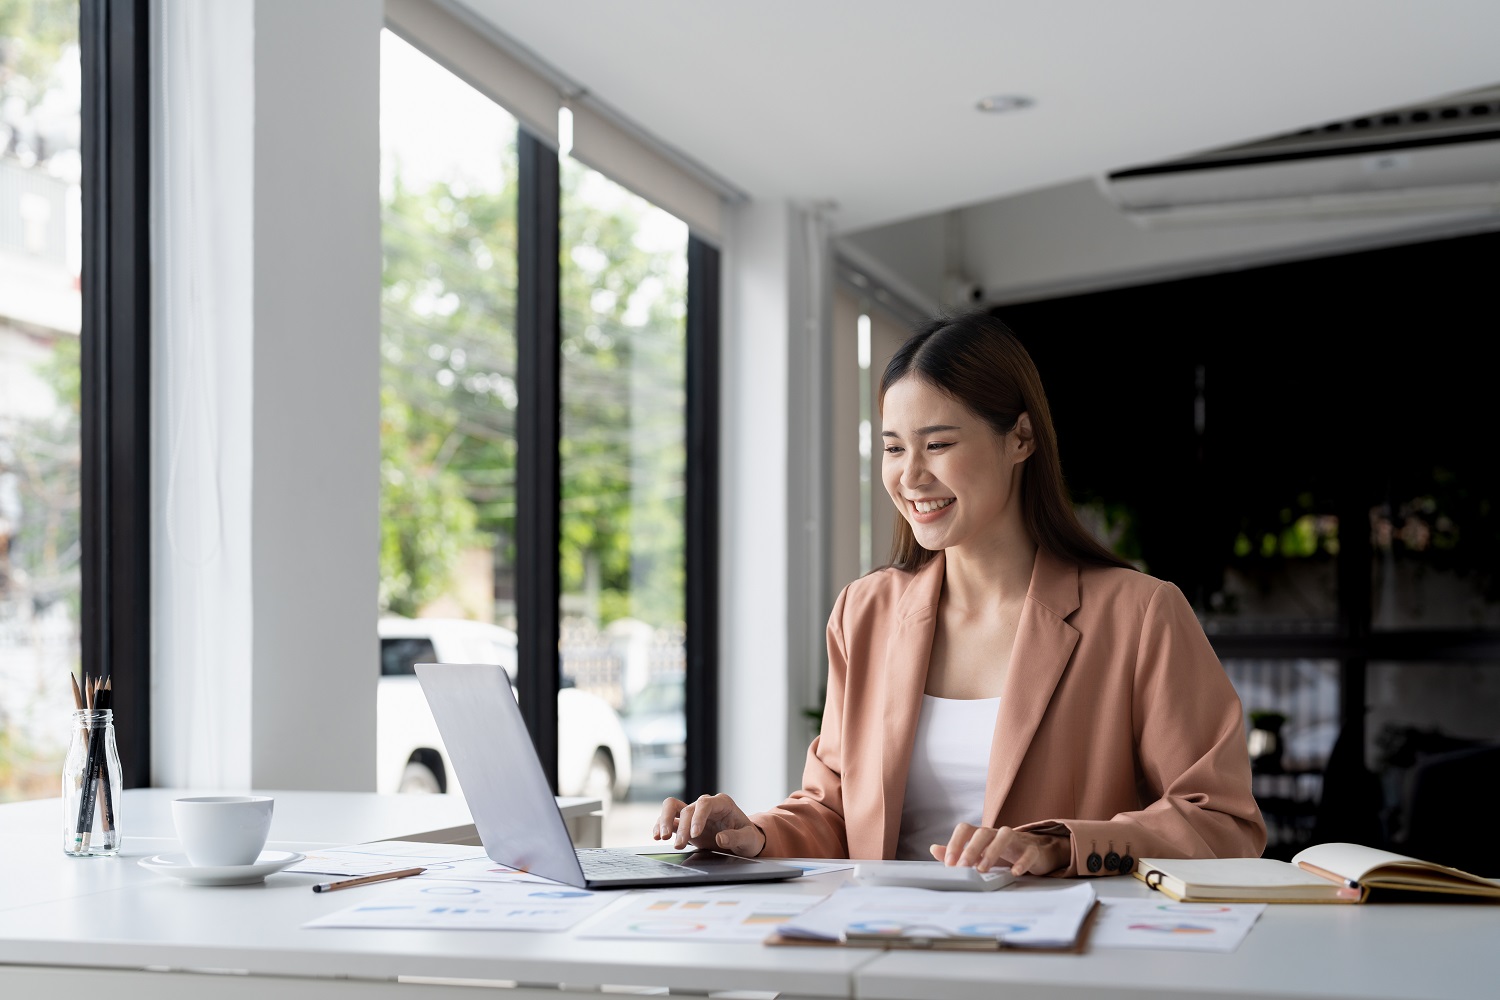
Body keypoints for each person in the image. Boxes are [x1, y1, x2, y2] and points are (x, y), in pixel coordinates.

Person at [654, 309, 1266, 876]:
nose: (911, 475)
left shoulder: (1139, 614)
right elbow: (835, 812)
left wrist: (1059, 845)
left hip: (1053, 965)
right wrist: (755, 834)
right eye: (894, 448)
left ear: (1020, 439)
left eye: (938, 444)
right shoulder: (863, 613)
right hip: (879, 949)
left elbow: (1222, 822)